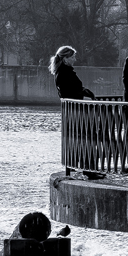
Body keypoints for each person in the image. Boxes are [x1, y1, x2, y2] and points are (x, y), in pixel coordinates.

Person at [50, 45, 100, 179]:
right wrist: (83, 92)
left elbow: (72, 89)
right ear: (65, 58)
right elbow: (71, 91)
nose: (75, 59)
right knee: (86, 138)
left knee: (81, 138)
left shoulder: (63, 72)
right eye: (73, 57)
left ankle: (83, 167)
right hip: (76, 111)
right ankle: (88, 169)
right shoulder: (65, 72)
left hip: (73, 111)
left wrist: (84, 91)